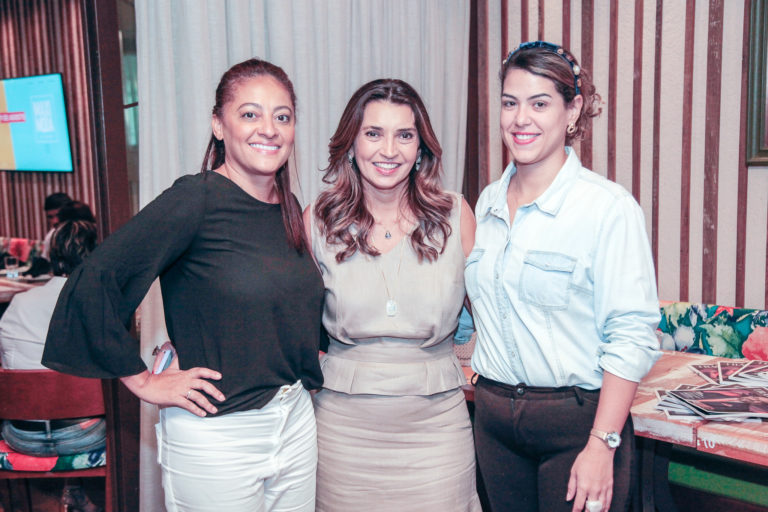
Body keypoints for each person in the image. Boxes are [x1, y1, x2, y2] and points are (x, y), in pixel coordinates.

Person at [42, 58, 324, 512]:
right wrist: (143, 381)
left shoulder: (287, 205)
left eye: (282, 116)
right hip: (217, 434)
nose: (269, 128)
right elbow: (95, 281)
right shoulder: (196, 199)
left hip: (293, 421)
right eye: (250, 114)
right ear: (219, 124)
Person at [466, 41, 662, 512]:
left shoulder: (607, 209)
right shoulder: (487, 203)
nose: (521, 119)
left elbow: (632, 335)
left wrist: (602, 444)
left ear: (573, 111)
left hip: (577, 428)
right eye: (510, 103)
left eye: (540, 104)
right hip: (493, 422)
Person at [305, 79, 481, 511]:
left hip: (437, 433)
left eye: (404, 135)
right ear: (351, 144)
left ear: (421, 147)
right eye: (373, 133)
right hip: (344, 434)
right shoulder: (316, 220)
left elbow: (495, 312)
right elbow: (285, 320)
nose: (389, 150)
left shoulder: (456, 214)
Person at [0, 220, 104, 512]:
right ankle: (94, 494)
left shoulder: (18, 303)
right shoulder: (98, 305)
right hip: (83, 437)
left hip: (22, 436)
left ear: (50, 256)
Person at [40, 192, 72, 259]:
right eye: (50, 217)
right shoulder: (51, 237)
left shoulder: (83, 232)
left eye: (59, 215)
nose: (55, 221)